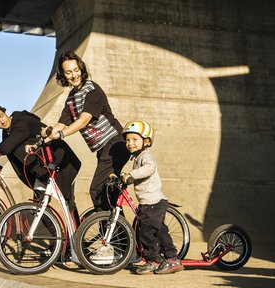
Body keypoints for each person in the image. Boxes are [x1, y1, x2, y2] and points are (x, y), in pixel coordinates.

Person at [41, 51, 130, 212]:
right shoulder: (71, 98)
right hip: (103, 149)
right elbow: (61, 123)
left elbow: (83, 121)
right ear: (63, 75)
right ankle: (118, 233)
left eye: (76, 70)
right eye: (68, 72)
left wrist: (60, 135)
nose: (74, 75)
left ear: (81, 69)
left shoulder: (92, 90)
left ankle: (113, 235)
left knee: (97, 190)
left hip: (115, 143)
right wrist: (42, 139)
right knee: (108, 194)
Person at [0, 103, 82, 225]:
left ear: (4, 111)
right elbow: (9, 147)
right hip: (44, 169)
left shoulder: (21, 122)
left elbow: (5, 148)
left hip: (59, 161)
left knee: (67, 201)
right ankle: (58, 242)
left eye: (2, 115)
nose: (2, 121)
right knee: (38, 207)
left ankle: (79, 240)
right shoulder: (8, 131)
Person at [121, 120, 184, 275]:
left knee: (146, 233)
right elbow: (138, 174)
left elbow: (149, 168)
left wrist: (132, 175)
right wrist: (123, 176)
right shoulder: (136, 158)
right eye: (128, 140)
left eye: (135, 140)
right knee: (159, 231)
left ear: (146, 141)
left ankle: (155, 260)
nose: (130, 143)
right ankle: (171, 259)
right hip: (150, 202)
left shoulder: (146, 155)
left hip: (153, 202)